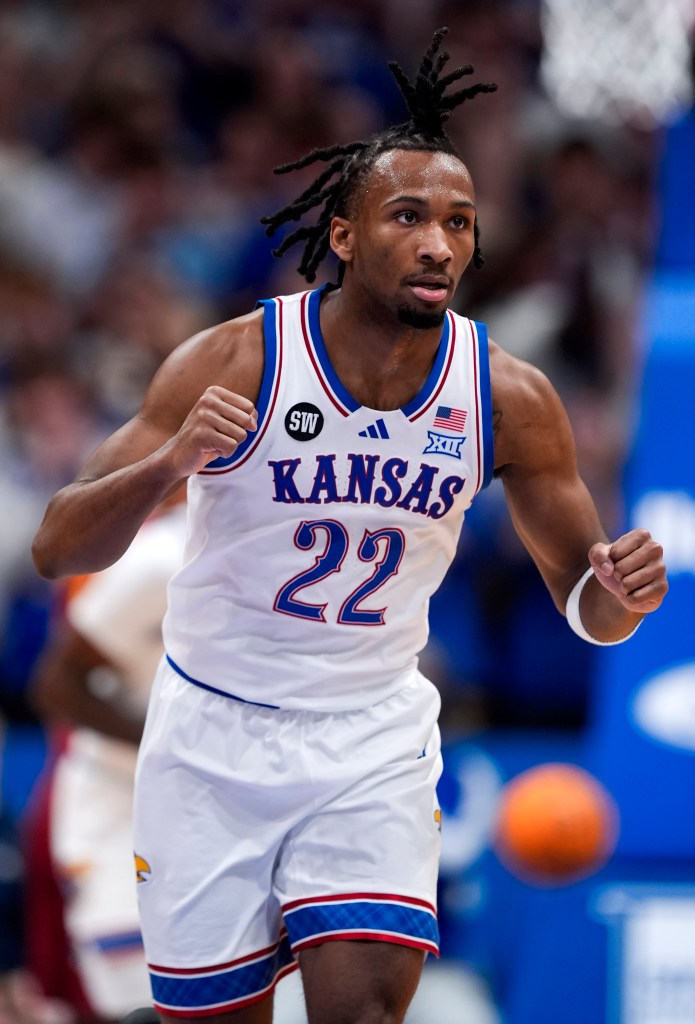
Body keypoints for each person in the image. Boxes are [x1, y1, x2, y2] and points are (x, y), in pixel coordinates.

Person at [31, 28, 667, 1024]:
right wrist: (165, 466)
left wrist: (618, 596)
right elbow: (55, 547)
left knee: (364, 1011)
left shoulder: (508, 396)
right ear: (341, 234)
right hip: (211, 732)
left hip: (371, 734)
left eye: (458, 222)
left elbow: (588, 610)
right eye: (407, 216)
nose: (437, 243)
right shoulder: (237, 359)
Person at [30, 490, 186, 1022]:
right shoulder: (160, 557)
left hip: (208, 803)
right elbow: (56, 683)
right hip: (118, 798)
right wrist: (171, 745)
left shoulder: (279, 551)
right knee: (136, 1003)